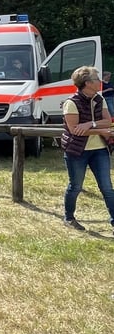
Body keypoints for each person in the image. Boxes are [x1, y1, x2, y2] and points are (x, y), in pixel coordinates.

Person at [59, 66, 114, 232]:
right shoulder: (71, 103)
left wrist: (91, 124)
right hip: (77, 151)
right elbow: (76, 130)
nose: (101, 81)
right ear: (88, 83)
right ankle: (69, 217)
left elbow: (108, 121)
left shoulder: (99, 99)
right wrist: (101, 130)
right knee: (75, 186)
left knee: (107, 187)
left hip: (99, 150)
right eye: (97, 79)